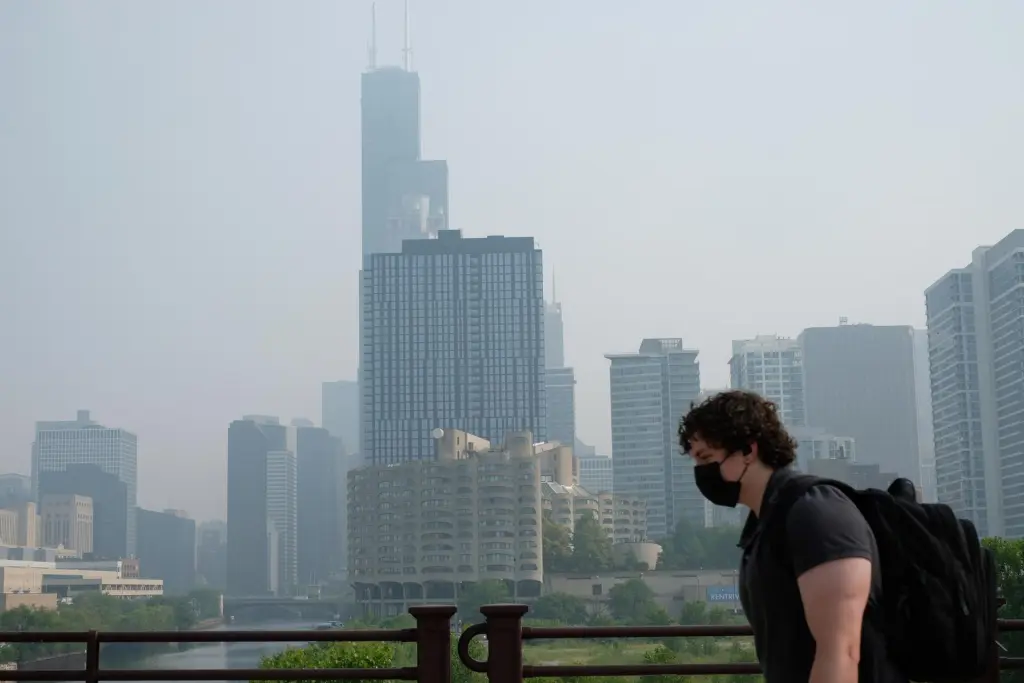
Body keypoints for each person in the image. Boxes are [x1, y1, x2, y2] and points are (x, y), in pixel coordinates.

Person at [679, 390, 906, 683]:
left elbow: (841, 652)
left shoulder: (816, 512)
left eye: (706, 457)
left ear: (748, 450)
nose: (700, 472)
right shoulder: (766, 524)